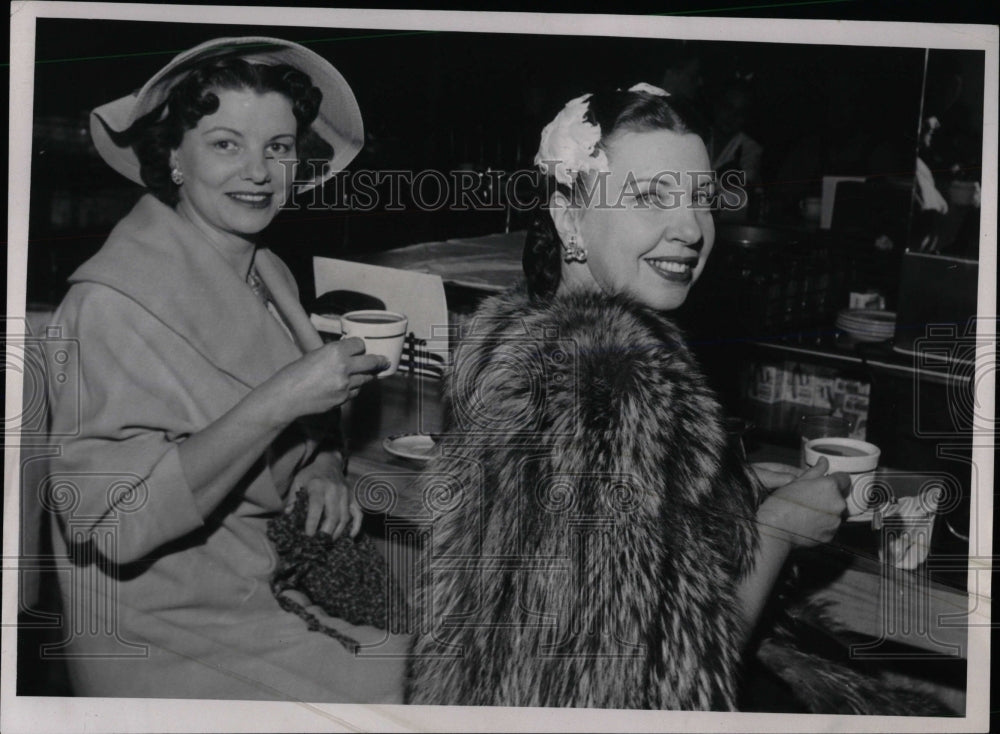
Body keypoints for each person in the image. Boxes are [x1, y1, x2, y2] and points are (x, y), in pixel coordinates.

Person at [406, 84, 849, 709]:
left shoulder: (528, 345)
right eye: (649, 197)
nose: (691, 228)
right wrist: (778, 530)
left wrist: (720, 489)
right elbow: (657, 698)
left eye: (700, 197)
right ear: (569, 218)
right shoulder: (606, 381)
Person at [45, 37, 408, 701]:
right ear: (173, 159)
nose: (259, 171)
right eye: (224, 143)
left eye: (278, 146)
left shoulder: (265, 270)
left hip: (262, 589)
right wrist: (279, 400)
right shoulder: (108, 304)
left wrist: (325, 463)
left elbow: (300, 420)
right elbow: (114, 528)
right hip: (168, 638)